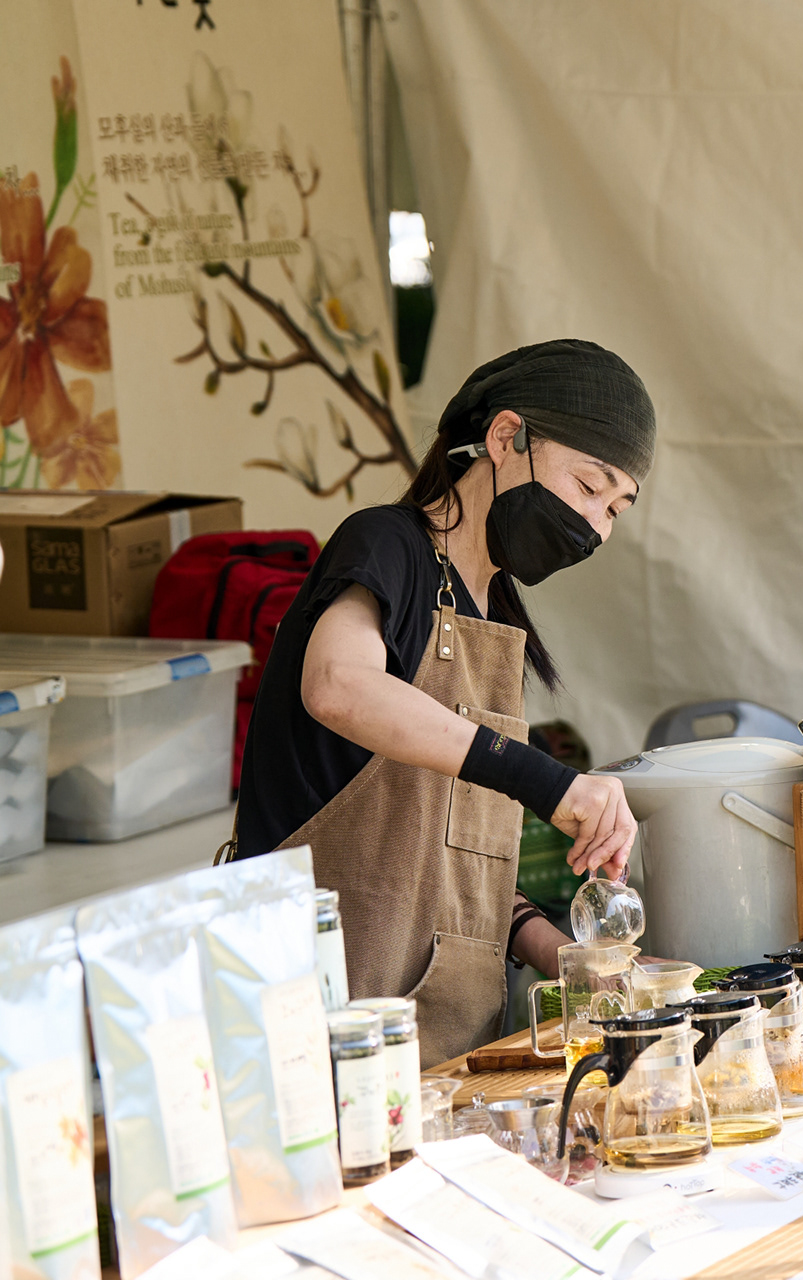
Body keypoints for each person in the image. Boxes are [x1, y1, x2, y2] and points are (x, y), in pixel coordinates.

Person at [234, 338, 649, 1065]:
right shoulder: (385, 545)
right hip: (327, 1028)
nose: (598, 526)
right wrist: (546, 780)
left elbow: (452, 856)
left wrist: (560, 953)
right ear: (505, 438)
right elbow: (337, 685)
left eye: (617, 508)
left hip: (449, 1039)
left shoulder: (495, 613)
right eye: (590, 486)